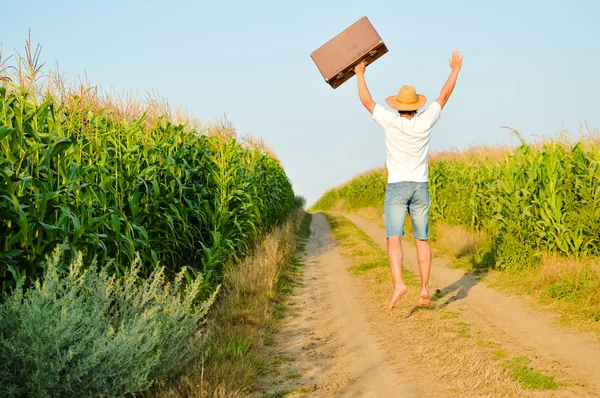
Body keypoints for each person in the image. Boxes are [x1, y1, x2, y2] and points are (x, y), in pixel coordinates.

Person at [354, 50, 463, 310]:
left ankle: (399, 284)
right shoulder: (424, 122)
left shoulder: (391, 122)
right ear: (416, 107)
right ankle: (424, 288)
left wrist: (360, 74)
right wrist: (455, 70)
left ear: (398, 106)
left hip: (397, 187)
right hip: (420, 187)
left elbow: (367, 101)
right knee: (421, 240)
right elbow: (444, 95)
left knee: (394, 238)